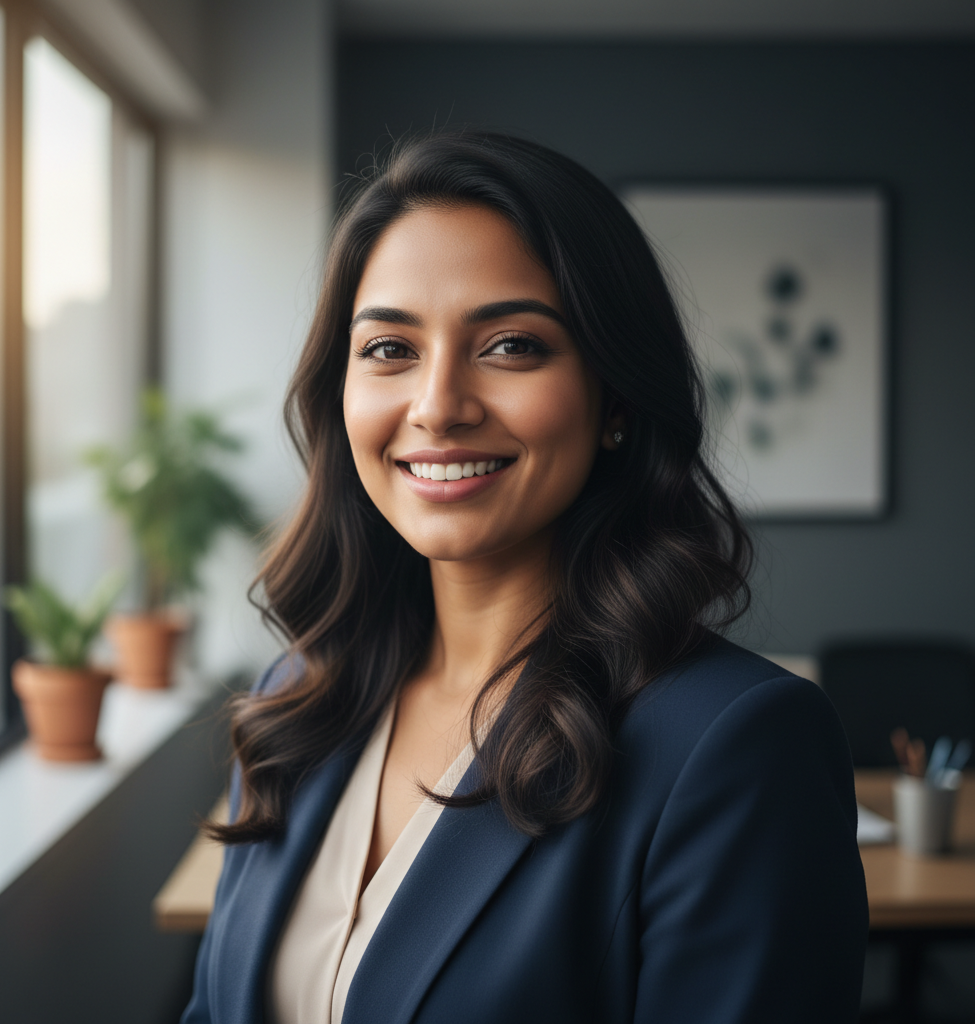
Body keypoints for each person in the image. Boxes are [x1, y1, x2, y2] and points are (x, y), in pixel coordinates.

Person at [182, 131, 868, 1024]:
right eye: (390, 349)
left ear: (614, 399)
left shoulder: (734, 746)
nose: (437, 406)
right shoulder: (296, 704)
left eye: (509, 345)